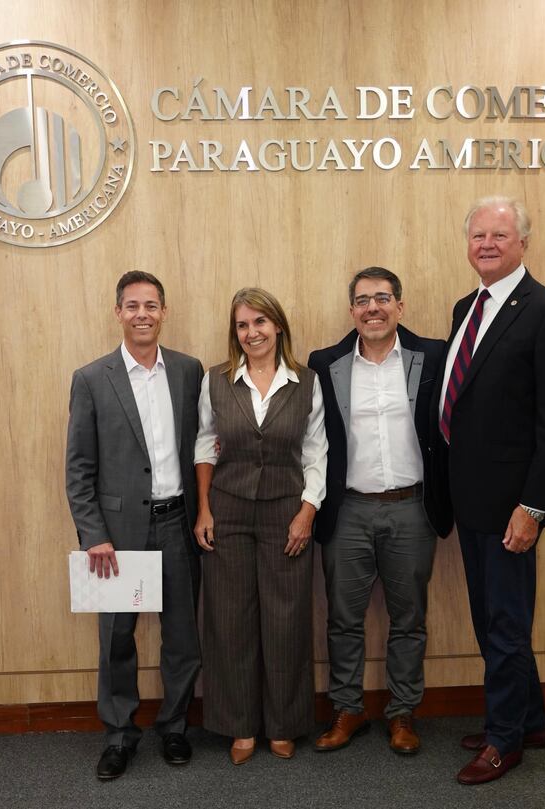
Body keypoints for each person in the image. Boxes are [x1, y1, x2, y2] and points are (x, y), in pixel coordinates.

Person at [436, 196, 545, 784]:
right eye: (478, 236)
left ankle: (504, 740)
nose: (487, 244)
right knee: (494, 618)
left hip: (512, 505)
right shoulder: (465, 308)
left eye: (499, 235)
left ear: (523, 242)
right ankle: (529, 721)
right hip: (470, 498)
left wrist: (534, 507)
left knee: (504, 625)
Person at [65, 271, 203, 781]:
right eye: (132, 306)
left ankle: (175, 727)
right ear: (118, 312)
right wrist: (94, 535)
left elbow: (202, 445)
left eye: (151, 305)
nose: (142, 314)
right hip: (117, 536)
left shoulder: (189, 371)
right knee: (116, 639)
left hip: (178, 523)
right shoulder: (90, 378)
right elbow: (79, 468)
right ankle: (119, 736)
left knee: (183, 637)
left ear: (164, 312)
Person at [308, 267, 451, 755]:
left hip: (412, 508)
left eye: (383, 298)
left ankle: (402, 712)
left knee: (408, 619)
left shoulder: (432, 355)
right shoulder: (325, 363)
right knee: (343, 619)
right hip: (347, 510)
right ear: (352, 310)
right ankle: (347, 709)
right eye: (363, 300)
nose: (373, 308)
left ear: (399, 306)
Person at [193, 287, 327, 764]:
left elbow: (316, 453)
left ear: (278, 325)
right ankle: (240, 726)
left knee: (286, 621)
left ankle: (284, 724)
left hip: (286, 514)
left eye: (260, 322)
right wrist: (204, 508)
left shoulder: (307, 382)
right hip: (227, 511)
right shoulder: (216, 380)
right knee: (230, 620)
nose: (252, 333)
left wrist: (307, 512)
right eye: (243, 325)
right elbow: (205, 445)